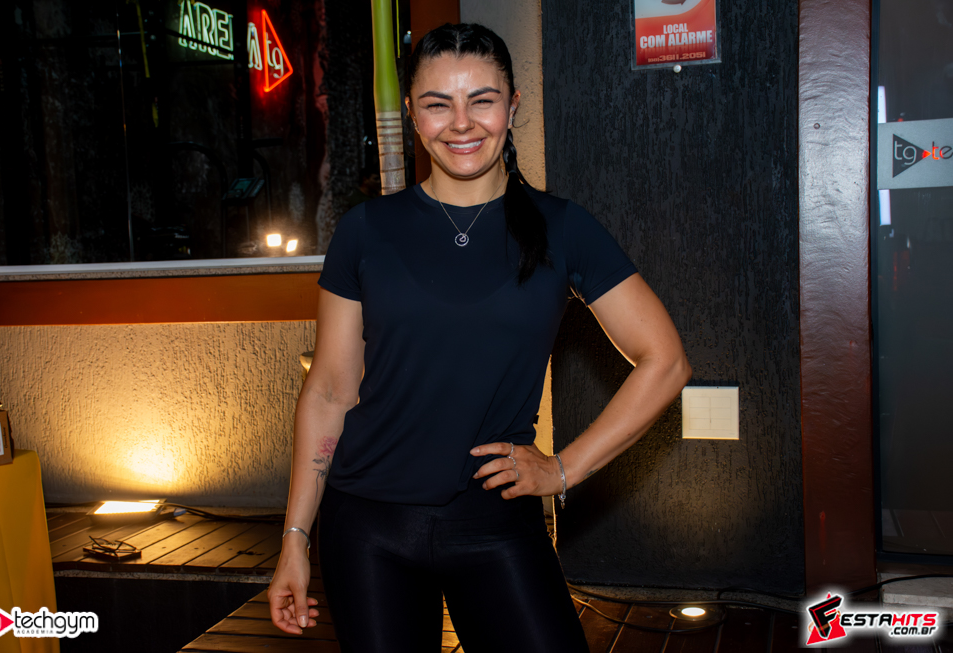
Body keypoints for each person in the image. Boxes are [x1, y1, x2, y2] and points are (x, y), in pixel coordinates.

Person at [268, 22, 691, 652]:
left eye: (482, 100)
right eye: (438, 104)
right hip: (367, 528)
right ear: (413, 114)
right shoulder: (366, 230)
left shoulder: (562, 227)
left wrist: (564, 469)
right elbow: (330, 391)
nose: (461, 123)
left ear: (512, 106)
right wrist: (295, 540)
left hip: (495, 519)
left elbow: (665, 361)